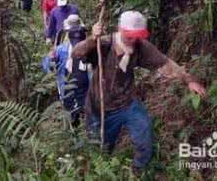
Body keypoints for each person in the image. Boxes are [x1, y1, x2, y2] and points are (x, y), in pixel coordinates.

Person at [71, 10, 207, 175]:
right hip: (98, 108)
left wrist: (188, 79)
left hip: (127, 103)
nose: (134, 40)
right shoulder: (104, 43)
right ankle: (103, 173)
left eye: (137, 35)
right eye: (130, 36)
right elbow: (76, 53)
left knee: (144, 133)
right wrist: (93, 39)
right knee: (101, 149)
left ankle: (138, 172)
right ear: (120, 30)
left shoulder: (141, 47)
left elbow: (164, 63)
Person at [42, 14, 90, 126]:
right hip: (67, 86)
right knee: (71, 114)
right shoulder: (61, 49)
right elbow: (46, 64)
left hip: (86, 88)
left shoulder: (90, 48)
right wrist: (51, 61)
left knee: (86, 112)